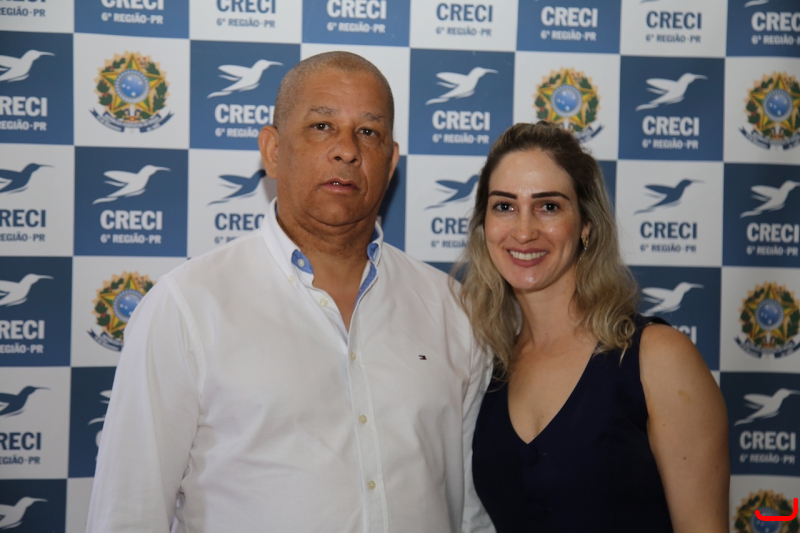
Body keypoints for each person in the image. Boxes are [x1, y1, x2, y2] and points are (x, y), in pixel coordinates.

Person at [87, 52, 493, 532]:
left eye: (368, 132)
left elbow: (471, 511)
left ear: (390, 163)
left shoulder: (452, 309)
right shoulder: (187, 306)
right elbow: (128, 512)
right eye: (322, 127)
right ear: (273, 150)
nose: (347, 150)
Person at [456, 122, 729, 532]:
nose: (524, 231)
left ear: (586, 224)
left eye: (549, 206)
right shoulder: (489, 368)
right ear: (484, 225)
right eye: (504, 206)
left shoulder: (657, 357)